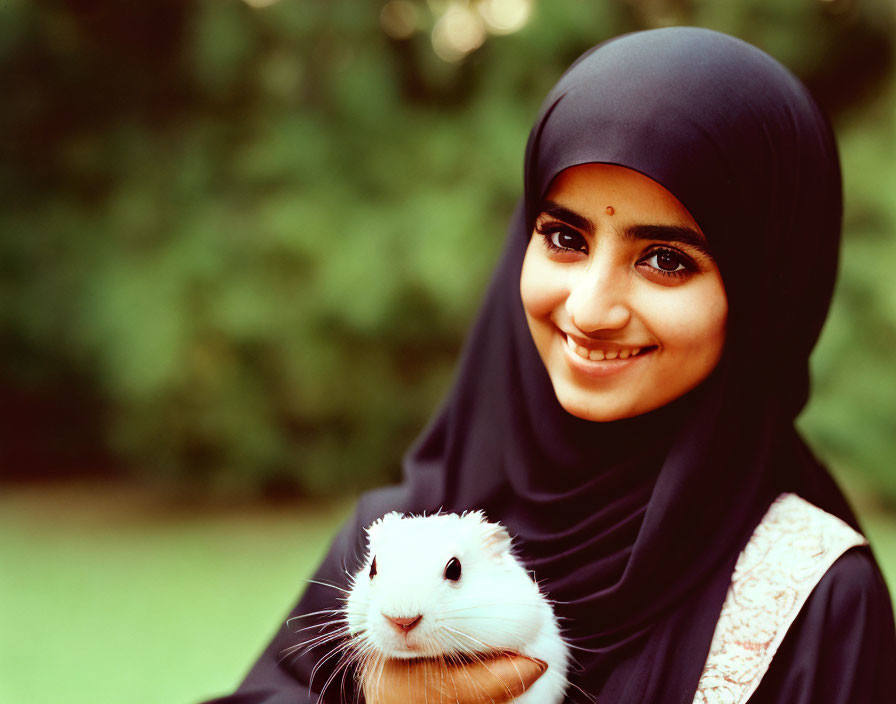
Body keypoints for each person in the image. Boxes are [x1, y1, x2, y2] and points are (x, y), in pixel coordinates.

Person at [203, 27, 896, 704]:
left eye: (666, 260)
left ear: (768, 294)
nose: (592, 309)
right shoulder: (392, 546)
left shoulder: (814, 599)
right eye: (564, 237)